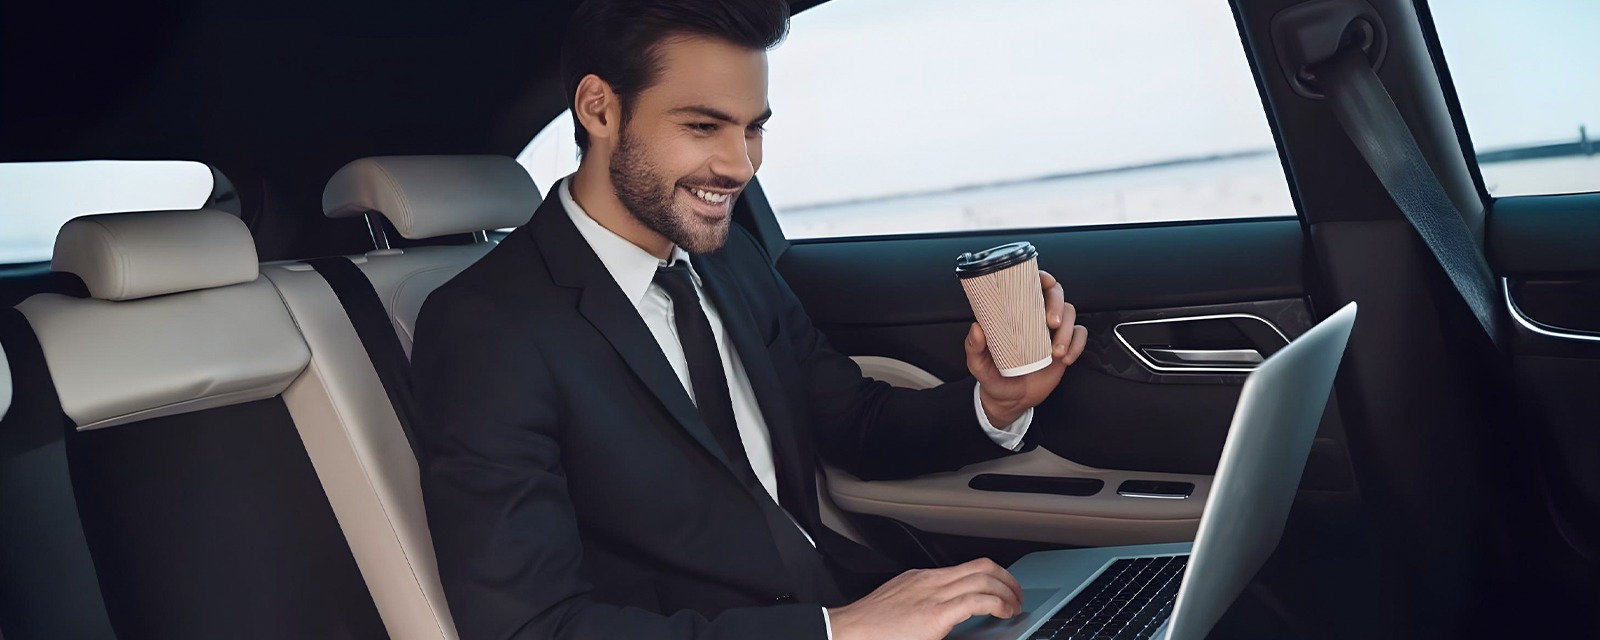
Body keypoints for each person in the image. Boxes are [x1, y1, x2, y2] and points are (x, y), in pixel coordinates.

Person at [410, 0, 1090, 638]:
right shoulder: (486, 326)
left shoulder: (728, 256)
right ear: (599, 109)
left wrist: (995, 404)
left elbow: (851, 423)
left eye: (754, 127)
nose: (740, 166)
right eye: (703, 126)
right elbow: (534, 628)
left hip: (843, 596)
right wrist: (834, 632)